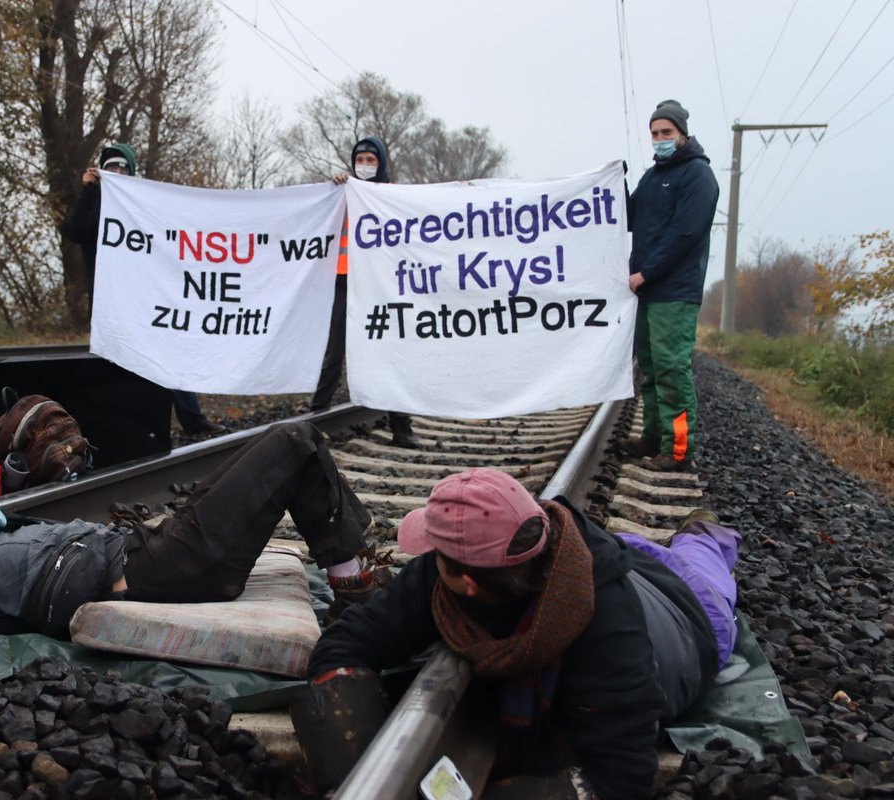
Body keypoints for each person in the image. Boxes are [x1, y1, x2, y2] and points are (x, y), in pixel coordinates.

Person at [292, 468, 741, 799]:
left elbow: (622, 778)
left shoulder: (608, 634)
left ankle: (702, 529)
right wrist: (355, 771)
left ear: (468, 583)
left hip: (687, 614)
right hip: (600, 558)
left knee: (700, 562)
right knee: (633, 549)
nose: (427, 560)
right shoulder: (447, 570)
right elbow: (347, 644)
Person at [0, 422, 383, 644]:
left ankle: (351, 576)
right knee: (293, 441)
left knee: (291, 443)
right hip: (165, 566)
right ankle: (353, 589)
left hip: (154, 549)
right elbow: (18, 610)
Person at [61, 143, 225, 436]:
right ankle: (124, 426)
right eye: (110, 167)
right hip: (111, 300)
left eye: (122, 168)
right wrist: (88, 192)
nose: (116, 172)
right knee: (117, 360)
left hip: (149, 295)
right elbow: (75, 231)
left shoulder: (144, 204)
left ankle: (192, 419)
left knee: (169, 351)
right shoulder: (96, 201)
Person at [626, 100, 720, 472]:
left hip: (674, 291)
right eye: (655, 134)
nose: (660, 139)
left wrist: (646, 272)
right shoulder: (653, 177)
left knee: (670, 368)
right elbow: (630, 216)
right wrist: (613, 184)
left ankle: (678, 450)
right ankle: (653, 437)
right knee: (649, 367)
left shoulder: (697, 175)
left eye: (666, 132)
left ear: (682, 133)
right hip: (647, 291)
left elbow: (686, 232)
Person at [311, 136, 420, 449]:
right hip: (345, 281)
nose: (365, 165)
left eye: (371, 160)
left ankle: (402, 426)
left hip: (380, 285)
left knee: (388, 353)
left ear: (381, 163)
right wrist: (333, 188)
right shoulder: (343, 192)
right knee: (333, 353)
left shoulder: (392, 196)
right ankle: (316, 417)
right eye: (361, 159)